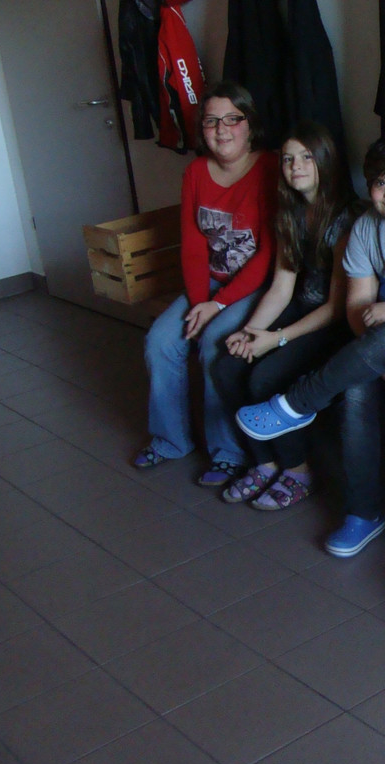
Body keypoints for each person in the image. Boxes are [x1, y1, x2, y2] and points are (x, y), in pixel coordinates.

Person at [235, 133, 385, 556]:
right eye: (380, 183)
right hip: (377, 341)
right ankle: (363, 513)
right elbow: (357, 308)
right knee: (355, 390)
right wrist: (376, 358)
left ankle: (296, 403)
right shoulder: (366, 227)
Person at [135, 81, 276, 486]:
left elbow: (268, 254)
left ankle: (228, 452)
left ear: (250, 125)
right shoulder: (196, 171)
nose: (222, 130)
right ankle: (171, 440)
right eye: (212, 121)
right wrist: (201, 301)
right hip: (208, 286)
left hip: (253, 288)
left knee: (216, 342)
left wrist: (217, 306)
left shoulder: (268, 168)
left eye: (233, 119)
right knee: (161, 341)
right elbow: (194, 245)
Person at [212, 121, 357, 510]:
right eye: (289, 159)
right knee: (227, 365)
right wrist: (251, 331)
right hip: (300, 308)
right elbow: (281, 286)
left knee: (266, 375)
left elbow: (336, 307)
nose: (296, 167)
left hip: (334, 323)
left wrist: (275, 339)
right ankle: (264, 462)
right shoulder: (290, 212)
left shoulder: (345, 218)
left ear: (325, 161)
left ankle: (298, 470)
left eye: (306, 157)